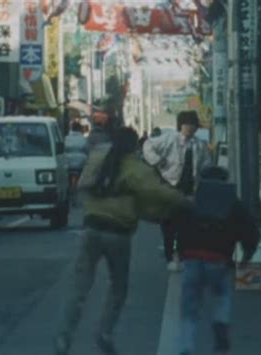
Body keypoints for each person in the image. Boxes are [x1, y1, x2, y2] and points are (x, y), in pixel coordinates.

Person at [54, 127, 190, 355]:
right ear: (134, 146)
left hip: (91, 228)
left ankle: (63, 337)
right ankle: (104, 333)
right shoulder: (135, 168)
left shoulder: (97, 157)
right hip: (118, 234)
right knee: (118, 288)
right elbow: (157, 193)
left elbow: (82, 185)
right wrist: (185, 200)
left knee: (79, 288)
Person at [172, 166, 260, 355]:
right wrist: (247, 254)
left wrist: (178, 252)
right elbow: (249, 230)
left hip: (192, 257)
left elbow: (176, 225)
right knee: (221, 297)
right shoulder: (233, 204)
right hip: (219, 259)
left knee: (189, 304)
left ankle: (185, 346)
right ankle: (220, 332)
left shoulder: (192, 201)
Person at [143, 110, 211, 271]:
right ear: (181, 125)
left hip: (189, 189)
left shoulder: (199, 145)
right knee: (168, 224)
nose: (191, 128)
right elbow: (148, 145)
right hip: (169, 185)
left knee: (185, 225)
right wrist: (157, 161)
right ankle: (169, 256)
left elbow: (206, 164)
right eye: (188, 125)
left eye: (194, 125)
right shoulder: (169, 139)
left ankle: (181, 255)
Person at [64, 121, 89, 206]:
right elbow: (87, 150)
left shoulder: (66, 138)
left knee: (68, 180)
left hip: (68, 162)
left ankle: (69, 193)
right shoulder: (83, 139)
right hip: (81, 163)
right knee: (80, 180)